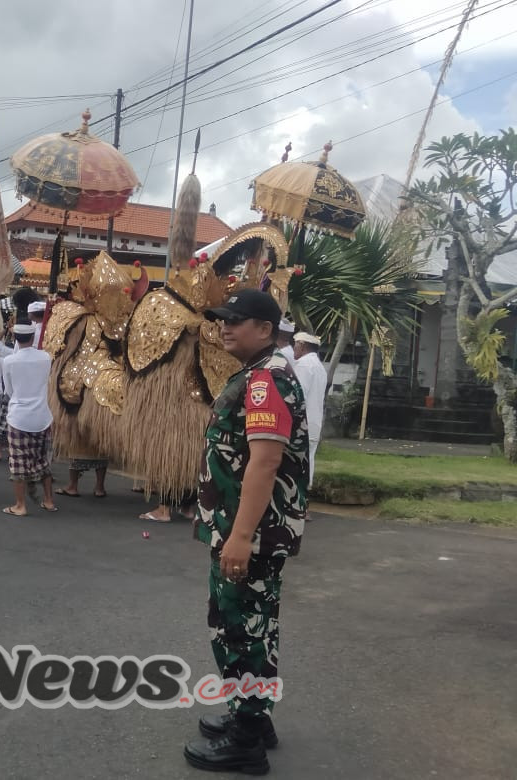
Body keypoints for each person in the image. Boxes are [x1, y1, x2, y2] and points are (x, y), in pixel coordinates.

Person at [184, 289, 308, 775]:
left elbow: (265, 461)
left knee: (240, 632)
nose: (225, 327)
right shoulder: (259, 374)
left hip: (250, 535)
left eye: (236, 320)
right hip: (247, 530)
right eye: (221, 320)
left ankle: (247, 739)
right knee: (251, 628)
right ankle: (252, 717)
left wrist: (239, 537)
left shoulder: (265, 382)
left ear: (265, 327)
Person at [1, 322, 57, 515]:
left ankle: (20, 505)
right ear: (33, 338)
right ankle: (49, 500)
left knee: (18, 463)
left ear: (15, 338)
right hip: (42, 415)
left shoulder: (9, 361)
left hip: (19, 417)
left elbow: (8, 390)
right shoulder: (46, 358)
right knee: (43, 461)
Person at [292, 332, 328, 485]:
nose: (293, 348)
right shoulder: (319, 366)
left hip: (302, 423)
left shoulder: (304, 365)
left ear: (301, 345)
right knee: (308, 461)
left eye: (295, 344)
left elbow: (298, 396)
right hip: (313, 423)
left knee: (296, 463)